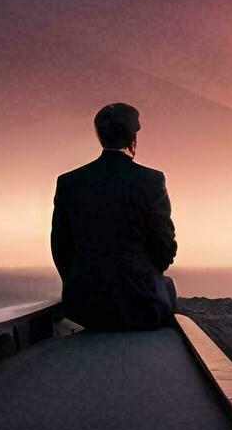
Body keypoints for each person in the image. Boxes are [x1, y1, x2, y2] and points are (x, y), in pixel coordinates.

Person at [50, 102, 177, 330]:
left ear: (99, 136)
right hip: (139, 306)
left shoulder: (68, 182)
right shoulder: (151, 180)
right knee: (167, 286)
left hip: (84, 306)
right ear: (133, 137)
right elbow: (164, 246)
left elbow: (60, 247)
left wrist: (80, 280)